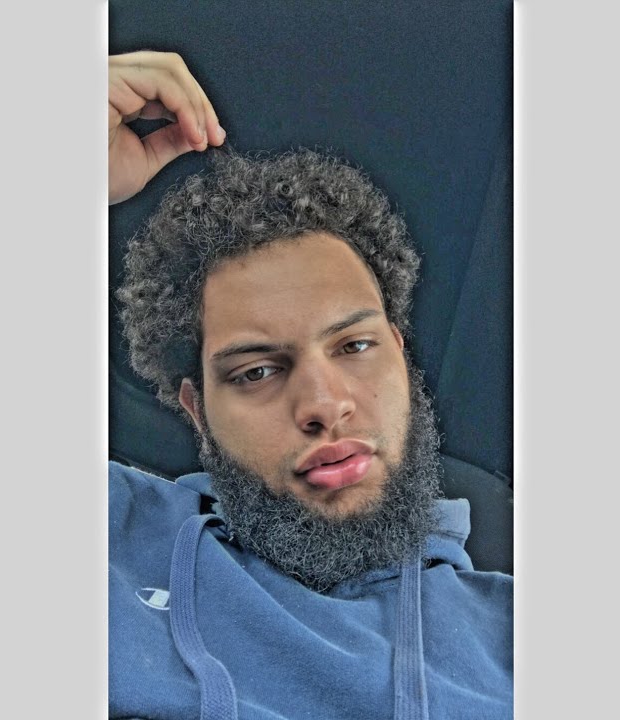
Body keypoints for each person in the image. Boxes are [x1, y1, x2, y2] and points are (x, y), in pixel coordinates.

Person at [107, 51, 512, 720]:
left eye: (355, 346)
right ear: (197, 411)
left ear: (401, 356)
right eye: (257, 371)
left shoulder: (515, 639)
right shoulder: (109, 537)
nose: (326, 405)